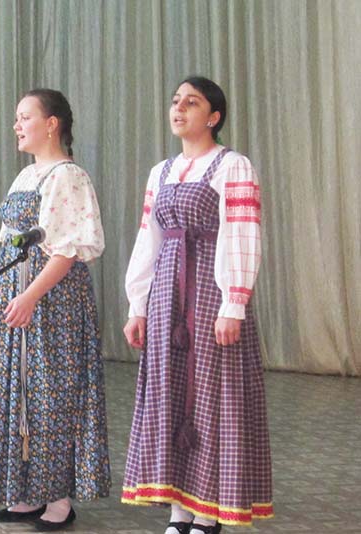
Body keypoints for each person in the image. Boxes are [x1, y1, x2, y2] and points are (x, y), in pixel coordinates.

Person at [121, 76, 273, 534]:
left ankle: (207, 513)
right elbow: (148, 239)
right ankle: (177, 511)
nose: (179, 109)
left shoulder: (232, 166)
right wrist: (137, 304)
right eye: (175, 102)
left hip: (209, 289)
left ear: (213, 117)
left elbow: (242, 234)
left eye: (191, 102)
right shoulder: (161, 171)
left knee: (210, 395)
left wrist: (234, 303)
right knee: (168, 394)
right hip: (167, 295)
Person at [0, 89, 110, 530]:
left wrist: (31, 296)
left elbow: (66, 251)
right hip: (17, 298)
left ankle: (58, 498)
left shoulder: (69, 176)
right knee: (17, 393)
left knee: (52, 394)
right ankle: (25, 491)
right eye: (17, 118)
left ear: (52, 124)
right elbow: (11, 247)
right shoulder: (26, 176)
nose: (17, 125)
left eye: (25, 117)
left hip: (52, 302)